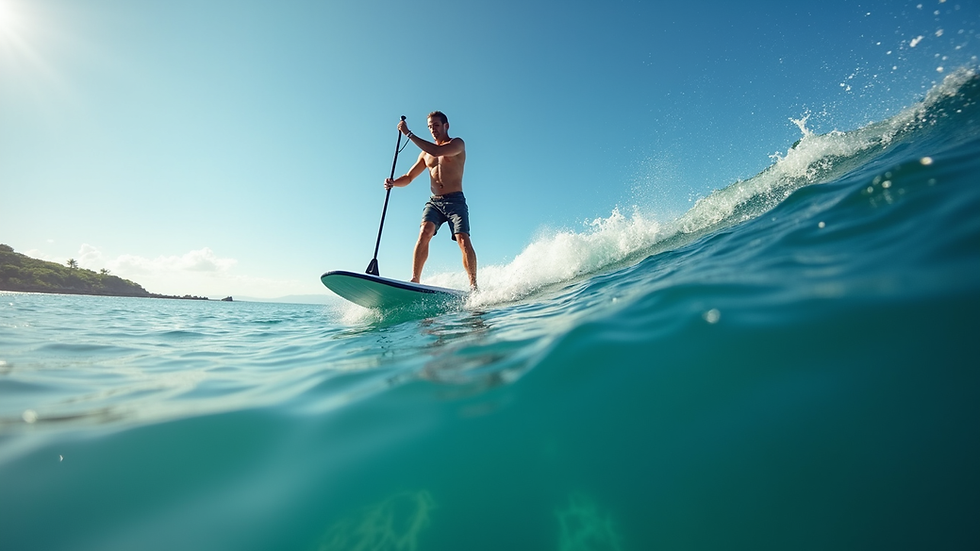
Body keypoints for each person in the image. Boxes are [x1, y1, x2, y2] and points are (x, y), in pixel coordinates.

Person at [384, 111, 478, 290]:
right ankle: (415, 279)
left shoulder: (457, 144)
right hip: (435, 202)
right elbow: (409, 177)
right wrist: (393, 183)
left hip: (455, 201)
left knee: (462, 239)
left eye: (436, 125)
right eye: (429, 127)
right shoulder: (424, 155)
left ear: (446, 125)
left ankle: (473, 285)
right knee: (424, 231)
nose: (432, 129)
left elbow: (437, 151)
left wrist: (408, 133)